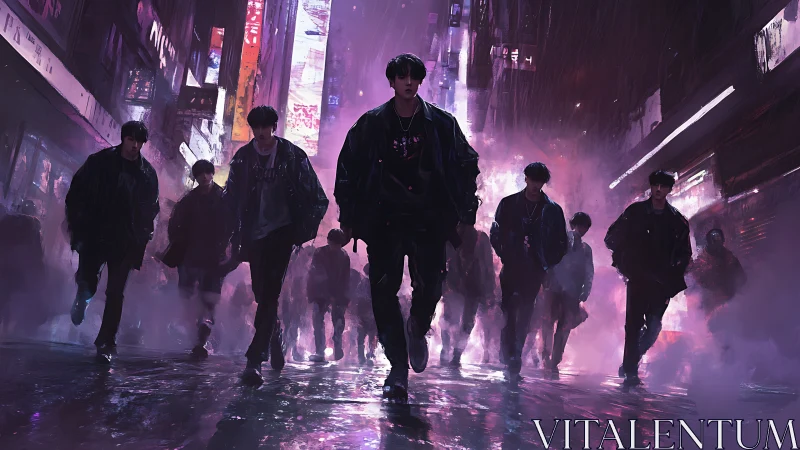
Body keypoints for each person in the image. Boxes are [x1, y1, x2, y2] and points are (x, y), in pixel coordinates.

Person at [334, 53, 480, 402]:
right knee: (383, 293)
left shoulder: (441, 125)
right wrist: (351, 217)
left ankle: (418, 326)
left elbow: (466, 163)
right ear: (392, 81)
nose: (409, 82)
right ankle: (397, 368)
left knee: (431, 286)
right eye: (402, 76)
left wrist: (465, 210)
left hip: (428, 219)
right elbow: (347, 170)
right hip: (384, 220)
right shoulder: (370, 125)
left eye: (414, 76)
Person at [225, 105, 328, 385]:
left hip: (282, 234)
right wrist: (232, 237)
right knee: (261, 295)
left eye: (264, 127)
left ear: (274, 126)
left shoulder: (292, 156)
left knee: (270, 294)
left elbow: (318, 197)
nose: (259, 133)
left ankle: (254, 360)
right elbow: (231, 200)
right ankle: (275, 334)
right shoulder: (243, 158)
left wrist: (301, 232)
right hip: (254, 235)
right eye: (255, 127)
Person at [66, 121, 160, 363]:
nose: (134, 146)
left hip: (125, 240)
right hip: (96, 233)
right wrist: (78, 223)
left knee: (116, 292)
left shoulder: (147, 174)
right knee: (88, 279)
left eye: (139, 142)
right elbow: (76, 192)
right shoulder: (99, 162)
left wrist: (142, 239)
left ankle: (107, 341)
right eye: (131, 140)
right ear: (123, 139)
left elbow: (150, 210)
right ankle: (82, 298)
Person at [605, 170, 692, 386]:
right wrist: (624, 263)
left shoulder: (678, 221)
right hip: (637, 278)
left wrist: (672, 277)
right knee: (633, 325)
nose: (659, 190)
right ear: (651, 187)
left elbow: (685, 254)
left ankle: (629, 363)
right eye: (656, 185)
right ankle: (631, 371)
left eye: (664, 186)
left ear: (670, 189)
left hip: (661, 283)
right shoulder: (635, 212)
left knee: (653, 328)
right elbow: (612, 237)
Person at [490, 162, 568, 376]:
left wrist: (547, 263)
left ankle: (515, 354)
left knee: (525, 310)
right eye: (532, 179)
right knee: (507, 309)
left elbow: (561, 242)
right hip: (512, 264)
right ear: (525, 178)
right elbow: (495, 232)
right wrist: (505, 254)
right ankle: (508, 348)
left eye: (540, 181)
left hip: (535, 268)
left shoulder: (552, 210)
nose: (535, 185)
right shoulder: (508, 204)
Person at [167, 160, 233, 358]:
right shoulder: (188, 201)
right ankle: (193, 336)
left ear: (212, 174)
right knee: (186, 297)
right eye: (200, 174)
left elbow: (231, 226)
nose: (204, 177)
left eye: (207, 172)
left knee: (209, 300)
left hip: (214, 258)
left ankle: (200, 341)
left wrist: (226, 250)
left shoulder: (224, 199)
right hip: (190, 256)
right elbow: (175, 225)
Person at [538, 212, 594, 372]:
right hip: (555, 289)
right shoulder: (561, 241)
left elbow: (589, 271)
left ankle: (554, 360)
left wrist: (586, 290)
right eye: (580, 225)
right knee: (548, 322)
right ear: (573, 224)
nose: (581, 229)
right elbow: (549, 262)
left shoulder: (585, 249)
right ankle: (546, 356)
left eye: (584, 227)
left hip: (572, 292)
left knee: (564, 326)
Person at [439, 225, 496, 367]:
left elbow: (488, 266)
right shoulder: (453, 237)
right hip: (457, 284)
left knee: (465, 323)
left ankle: (455, 354)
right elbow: (444, 261)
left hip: (473, 287)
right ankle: (448, 351)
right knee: (450, 320)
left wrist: (490, 290)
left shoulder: (480, 239)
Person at [306, 229, 351, 362]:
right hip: (321, 293)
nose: (335, 247)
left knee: (338, 321)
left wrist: (340, 296)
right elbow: (317, 274)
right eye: (333, 243)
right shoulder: (320, 253)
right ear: (329, 241)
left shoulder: (344, 256)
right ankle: (320, 351)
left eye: (338, 244)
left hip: (337, 293)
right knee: (318, 321)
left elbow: (345, 279)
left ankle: (337, 346)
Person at [0, 200, 45, 331]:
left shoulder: (7, 221)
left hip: (5, 265)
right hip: (20, 268)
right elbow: (37, 252)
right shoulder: (33, 226)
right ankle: (9, 329)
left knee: (5, 295)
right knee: (14, 295)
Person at [690, 228, 746, 317]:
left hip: (731, 300)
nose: (718, 247)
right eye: (715, 243)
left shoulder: (730, 257)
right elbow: (697, 284)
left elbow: (742, 278)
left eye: (719, 242)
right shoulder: (702, 261)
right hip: (712, 303)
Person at [352, 263, 378, 365]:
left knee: (362, 338)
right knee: (370, 336)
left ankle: (363, 357)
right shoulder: (373, 284)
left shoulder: (362, 284)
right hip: (369, 314)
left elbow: (357, 300)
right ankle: (369, 355)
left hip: (365, 314)